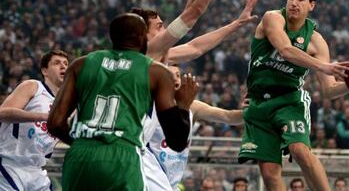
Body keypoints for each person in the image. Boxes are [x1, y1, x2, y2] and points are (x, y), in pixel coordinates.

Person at [47, 13, 196, 190]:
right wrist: (184, 105)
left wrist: (87, 142)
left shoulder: (81, 64)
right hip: (123, 154)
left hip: (80, 155)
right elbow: (177, 142)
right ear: (142, 38)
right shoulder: (155, 72)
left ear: (112, 36)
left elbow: (55, 123)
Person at [238, 0, 349, 191]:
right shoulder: (272, 18)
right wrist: (323, 66)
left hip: (289, 101)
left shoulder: (317, 42)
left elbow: (328, 90)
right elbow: (286, 50)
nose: (294, 3)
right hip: (258, 103)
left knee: (299, 149)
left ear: (312, 5)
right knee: (270, 175)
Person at [144, 64, 245, 190]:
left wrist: (252, 111)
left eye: (177, 75)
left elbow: (228, 117)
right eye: (169, 76)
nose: (175, 79)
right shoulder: (149, 105)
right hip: (150, 173)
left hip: (173, 180)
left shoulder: (193, 107)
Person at [0, 50, 69, 190]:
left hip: (37, 169)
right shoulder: (33, 86)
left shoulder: (66, 104)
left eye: (66, 64)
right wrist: (44, 117)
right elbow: (3, 112)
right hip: (10, 163)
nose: (63, 67)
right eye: (57, 63)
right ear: (45, 71)